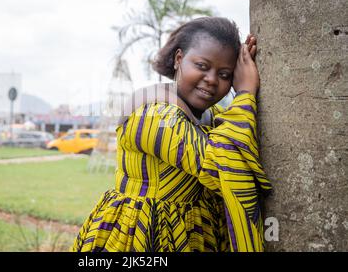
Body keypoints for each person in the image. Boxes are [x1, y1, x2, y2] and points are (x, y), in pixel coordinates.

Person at [72, 17, 272, 252]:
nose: (211, 79)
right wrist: (246, 93)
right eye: (202, 66)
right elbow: (220, 165)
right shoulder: (153, 116)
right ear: (179, 59)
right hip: (142, 236)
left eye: (225, 74)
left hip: (197, 233)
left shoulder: (214, 115)